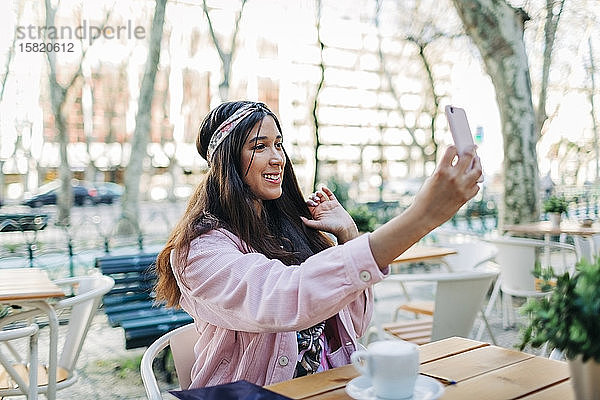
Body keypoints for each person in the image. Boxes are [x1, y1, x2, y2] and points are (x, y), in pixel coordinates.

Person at [154, 100, 482, 388]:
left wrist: (348, 236)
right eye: (259, 146)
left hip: (328, 386)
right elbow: (284, 297)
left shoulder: (288, 230)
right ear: (227, 161)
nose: (277, 158)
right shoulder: (198, 252)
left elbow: (354, 325)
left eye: (279, 145)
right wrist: (421, 217)